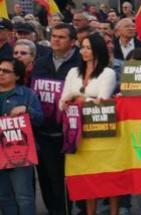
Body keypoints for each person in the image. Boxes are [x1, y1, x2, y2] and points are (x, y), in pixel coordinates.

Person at [59, 32, 118, 215]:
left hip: (99, 131)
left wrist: (76, 97)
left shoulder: (108, 73)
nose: (83, 51)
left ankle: (113, 212)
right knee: (86, 176)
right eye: (82, 47)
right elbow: (62, 104)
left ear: (97, 50)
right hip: (75, 132)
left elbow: (102, 100)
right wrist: (76, 99)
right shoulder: (72, 72)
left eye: (88, 48)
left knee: (108, 176)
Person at [31, 23, 81, 215]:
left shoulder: (79, 63)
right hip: (43, 130)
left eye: (61, 37)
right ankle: (53, 209)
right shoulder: (42, 62)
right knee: (44, 177)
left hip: (68, 132)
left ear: (73, 42)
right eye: (54, 36)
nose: (56, 40)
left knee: (61, 179)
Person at [0, 57, 42, 215]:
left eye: (6, 71)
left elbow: (40, 119)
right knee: (4, 196)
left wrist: (27, 110)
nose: (1, 73)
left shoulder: (28, 94)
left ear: (17, 76)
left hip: (20, 151)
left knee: (24, 196)